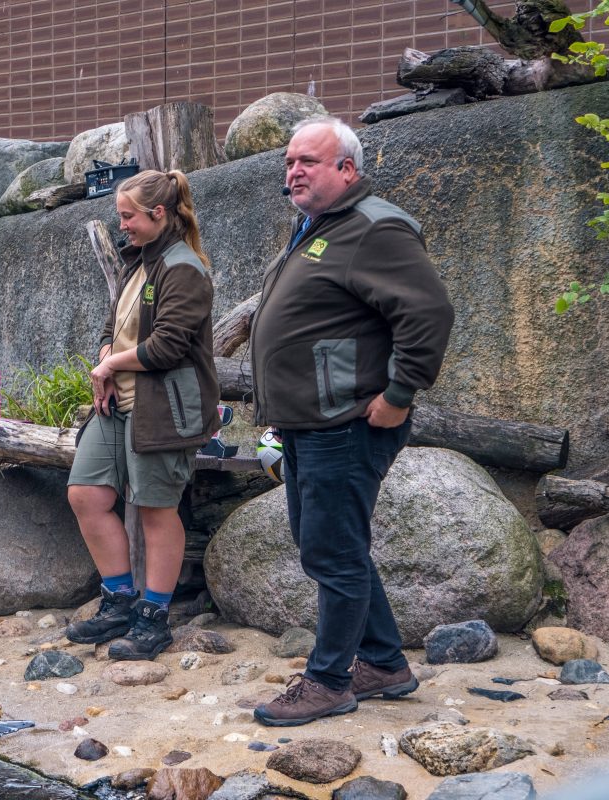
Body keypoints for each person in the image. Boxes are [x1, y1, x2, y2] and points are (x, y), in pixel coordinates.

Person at [248, 117, 454, 725]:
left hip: (347, 420)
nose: (294, 172)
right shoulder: (317, 226)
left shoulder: (374, 227)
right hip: (309, 421)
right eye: (289, 162)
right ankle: (385, 662)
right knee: (334, 550)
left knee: (332, 554)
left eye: (309, 161)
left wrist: (400, 393)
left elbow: (430, 314)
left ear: (348, 169)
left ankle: (329, 679)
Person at [64, 169, 220, 661]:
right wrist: (107, 352)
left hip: (163, 409)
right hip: (118, 403)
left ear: (158, 215)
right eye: (120, 217)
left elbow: (169, 346)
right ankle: (118, 600)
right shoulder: (140, 260)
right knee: (86, 494)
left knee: (156, 510)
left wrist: (111, 362)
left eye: (129, 217)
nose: (123, 226)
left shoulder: (184, 268)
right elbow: (115, 321)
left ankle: (154, 618)